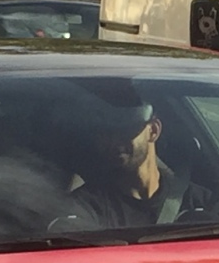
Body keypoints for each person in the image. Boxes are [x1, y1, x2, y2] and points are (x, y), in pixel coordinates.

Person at [61, 95, 209, 231]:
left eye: (125, 129)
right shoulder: (86, 207)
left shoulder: (198, 201)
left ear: (153, 131)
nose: (114, 141)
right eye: (105, 133)